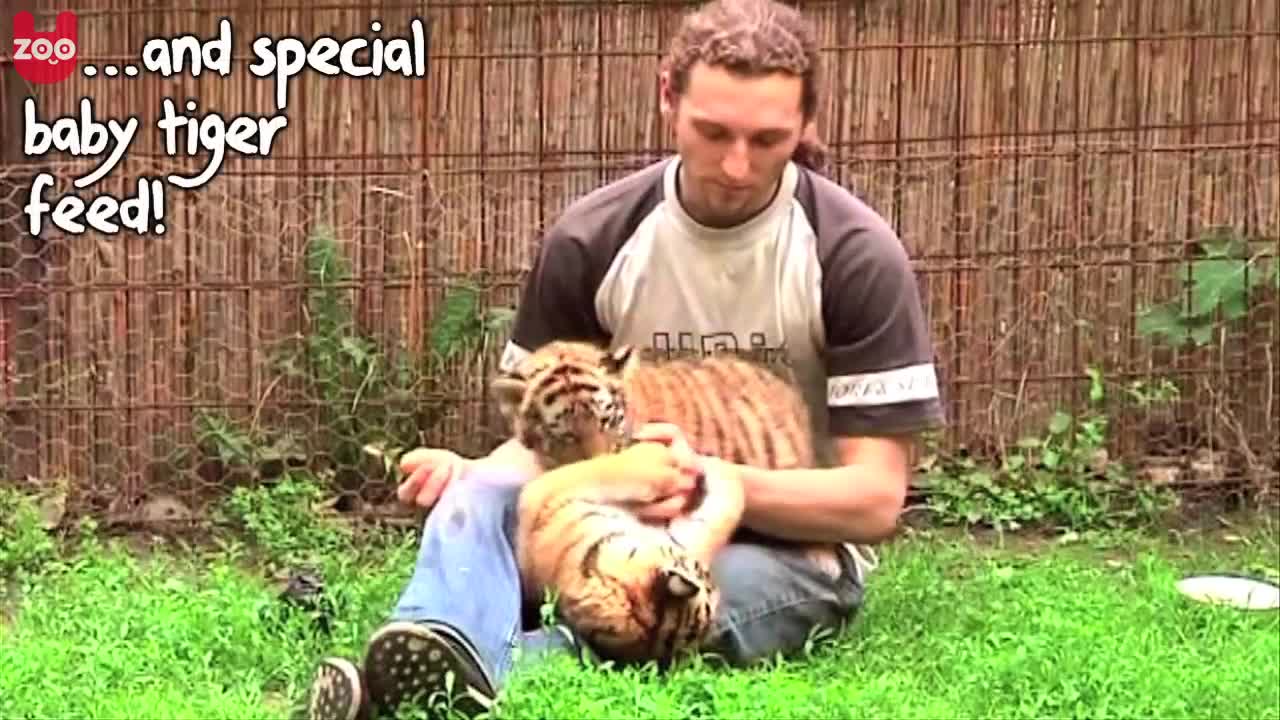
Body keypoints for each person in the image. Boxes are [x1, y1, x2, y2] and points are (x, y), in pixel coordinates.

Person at [306, 0, 945, 718]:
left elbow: (873, 500)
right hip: (602, 506)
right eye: (714, 132)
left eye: (768, 139)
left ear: (807, 123)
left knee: (652, 608)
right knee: (475, 500)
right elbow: (547, 440)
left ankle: (428, 694)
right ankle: (440, 640)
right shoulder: (593, 239)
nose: (737, 167)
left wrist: (709, 479)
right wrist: (476, 475)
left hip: (787, 549)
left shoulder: (852, 255)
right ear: (668, 96)